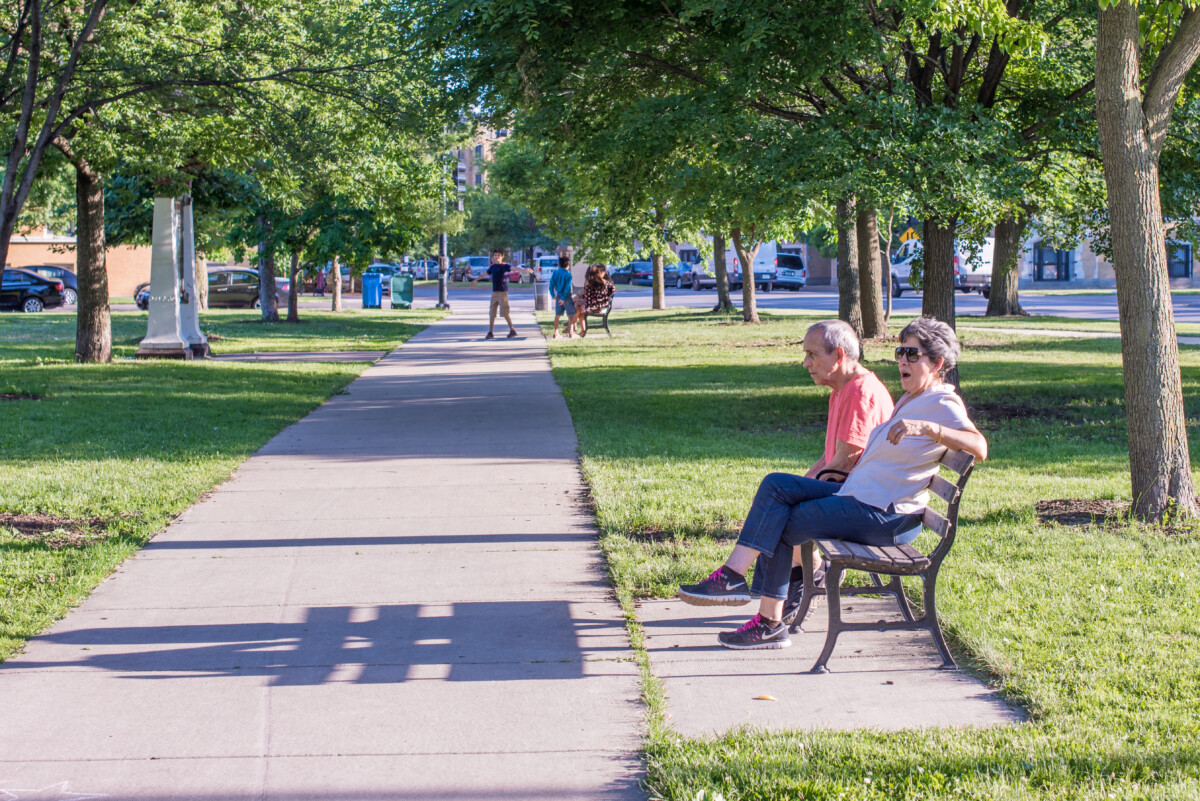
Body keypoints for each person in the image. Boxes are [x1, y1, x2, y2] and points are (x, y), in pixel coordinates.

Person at [677, 316, 988, 650]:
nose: (902, 360)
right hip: (863, 498)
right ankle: (732, 577)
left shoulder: (941, 402)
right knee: (776, 486)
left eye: (912, 354)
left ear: (937, 363)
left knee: (781, 520)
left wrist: (931, 430)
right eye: (900, 352)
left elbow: (979, 446)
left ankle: (769, 623)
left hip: (886, 515)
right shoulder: (912, 399)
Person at [745, 320, 895, 619]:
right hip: (853, 494)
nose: (805, 363)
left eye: (812, 355)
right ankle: (792, 585)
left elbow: (845, 464)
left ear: (838, 355)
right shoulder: (842, 389)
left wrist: (798, 495)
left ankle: (806, 578)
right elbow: (830, 459)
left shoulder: (860, 392)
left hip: (864, 503)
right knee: (775, 503)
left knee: (779, 516)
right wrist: (801, 484)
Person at [471, 249, 533, 339]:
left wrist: (525, 270)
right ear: (493, 256)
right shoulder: (492, 267)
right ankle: (490, 332)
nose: (497, 257)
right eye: (495, 255)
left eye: (499, 255)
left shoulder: (504, 266)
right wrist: (476, 279)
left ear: (502, 257)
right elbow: (485, 273)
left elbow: (514, 268)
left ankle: (512, 330)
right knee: (492, 313)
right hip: (494, 293)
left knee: (505, 313)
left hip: (502, 293)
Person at [571, 264, 615, 337]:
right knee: (580, 306)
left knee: (579, 304)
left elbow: (595, 298)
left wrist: (585, 304)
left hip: (599, 307)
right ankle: (579, 330)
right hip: (600, 306)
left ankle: (574, 326)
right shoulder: (605, 283)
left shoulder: (599, 283)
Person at [549, 255, 576, 339]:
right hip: (566, 296)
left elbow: (551, 285)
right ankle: (571, 332)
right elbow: (567, 287)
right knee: (570, 315)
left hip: (558, 295)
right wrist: (563, 298)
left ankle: (556, 332)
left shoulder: (555, 273)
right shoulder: (568, 274)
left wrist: (553, 295)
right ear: (568, 265)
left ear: (559, 264)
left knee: (557, 315)